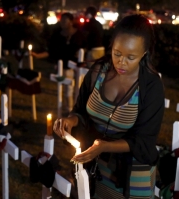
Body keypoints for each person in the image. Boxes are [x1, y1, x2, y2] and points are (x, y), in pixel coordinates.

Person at [53, 14, 164, 199]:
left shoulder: (151, 86)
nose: (121, 62)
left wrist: (104, 146)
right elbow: (81, 110)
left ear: (144, 53)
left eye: (131, 57)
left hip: (132, 177)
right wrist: (71, 120)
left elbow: (144, 141)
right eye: (117, 53)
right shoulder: (98, 72)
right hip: (95, 167)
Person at [31, 12, 87, 111]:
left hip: (78, 67)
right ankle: (70, 110)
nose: (62, 23)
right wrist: (38, 55)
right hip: (65, 66)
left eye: (65, 20)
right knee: (68, 90)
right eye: (61, 20)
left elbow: (85, 48)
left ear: (71, 22)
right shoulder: (57, 35)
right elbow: (52, 51)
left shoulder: (78, 35)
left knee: (79, 90)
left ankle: (80, 110)